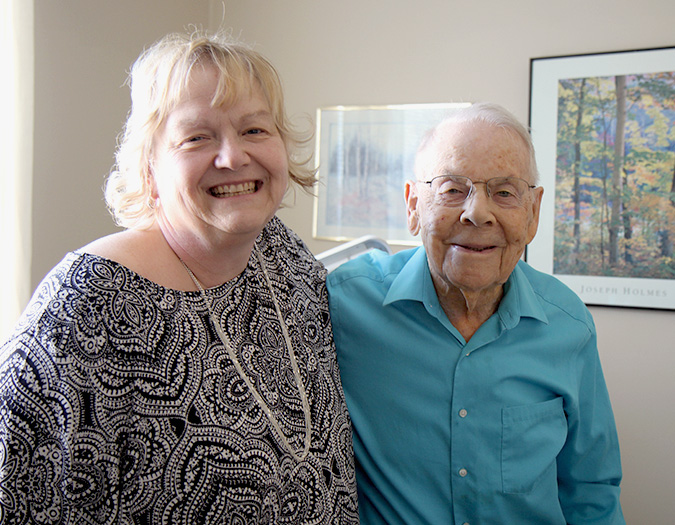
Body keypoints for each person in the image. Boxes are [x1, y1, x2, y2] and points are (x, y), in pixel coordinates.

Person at [0, 31, 358, 524]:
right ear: (149, 170)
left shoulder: (285, 258)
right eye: (197, 137)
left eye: (255, 130)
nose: (233, 157)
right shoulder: (86, 305)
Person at [327, 103, 624, 524]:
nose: (477, 212)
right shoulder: (344, 304)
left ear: (533, 212)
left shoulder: (568, 325)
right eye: (452, 189)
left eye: (504, 192)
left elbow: (592, 491)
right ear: (413, 205)